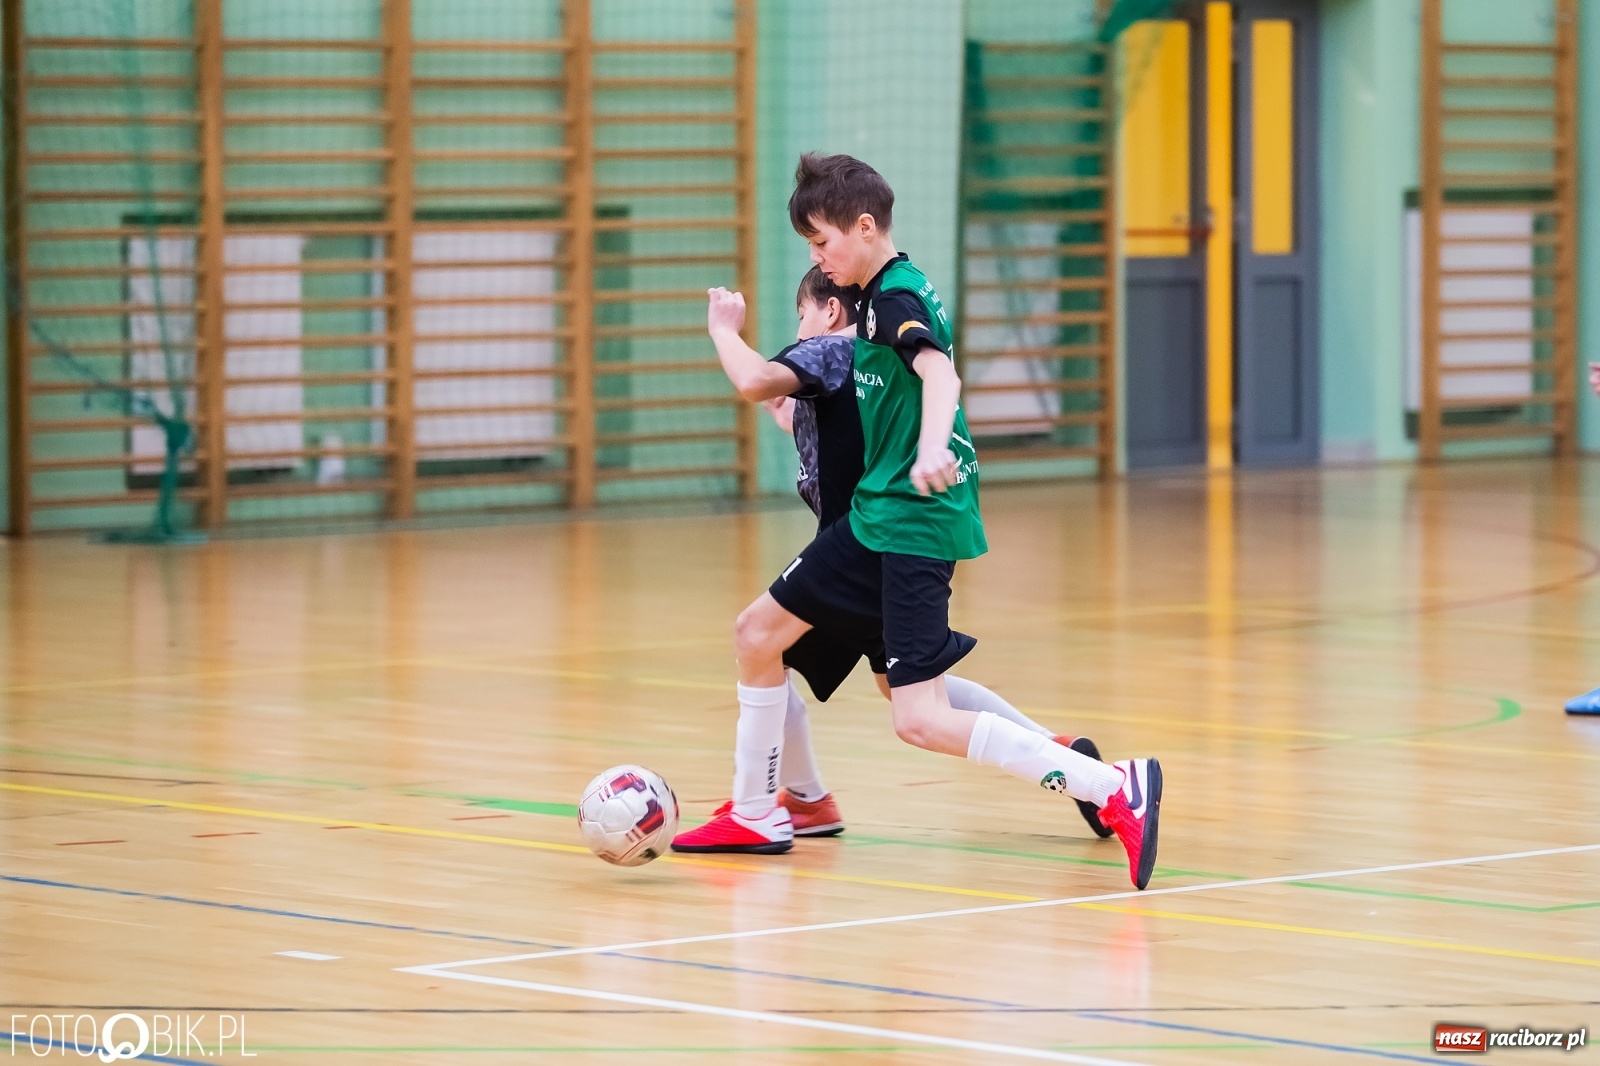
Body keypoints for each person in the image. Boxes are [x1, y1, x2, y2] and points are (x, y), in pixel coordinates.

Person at [678, 153, 1162, 891]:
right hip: (894, 521)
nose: (818, 261)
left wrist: (932, 444)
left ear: (864, 227)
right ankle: (785, 806)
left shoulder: (893, 298)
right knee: (861, 677)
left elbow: (939, 371)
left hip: (899, 521)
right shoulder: (872, 302)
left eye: (821, 245)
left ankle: (1110, 785)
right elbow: (827, 404)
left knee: (909, 713)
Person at [684, 266, 1114, 843]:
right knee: (901, 684)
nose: (799, 329)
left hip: (863, 547)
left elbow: (758, 379)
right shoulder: (860, 368)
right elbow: (798, 414)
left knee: (760, 639)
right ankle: (1059, 754)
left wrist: (724, 332)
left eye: (802, 315)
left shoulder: (830, 352)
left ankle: (772, 808)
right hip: (875, 545)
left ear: (829, 313)